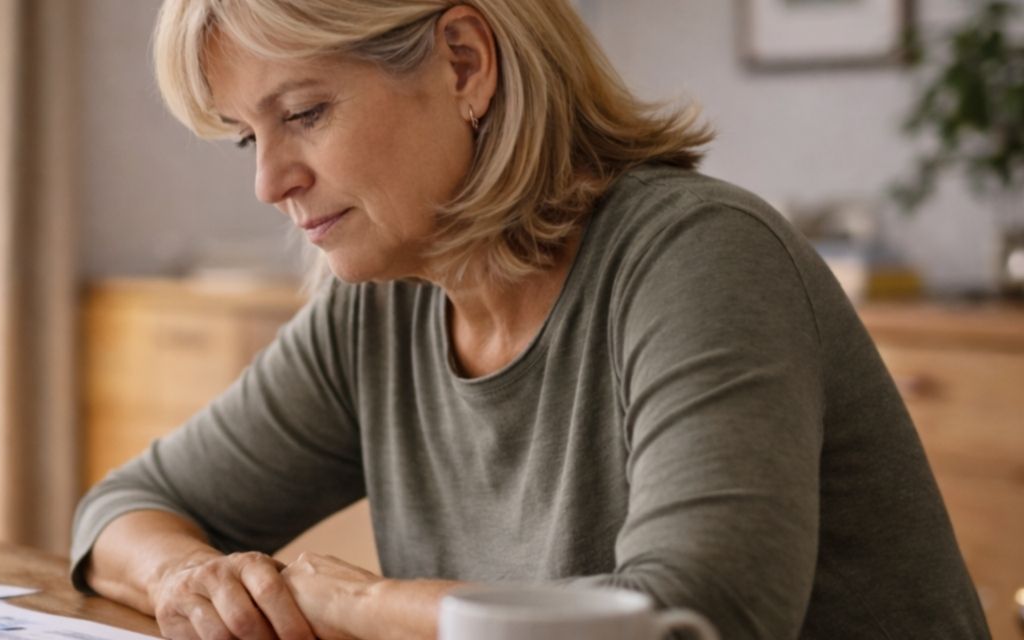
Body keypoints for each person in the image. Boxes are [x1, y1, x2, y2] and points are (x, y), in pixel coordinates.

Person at [69, 1, 988, 638]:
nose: (270, 181)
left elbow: (698, 618)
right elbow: (123, 509)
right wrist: (187, 581)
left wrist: (358, 605)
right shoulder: (377, 310)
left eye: (304, 113)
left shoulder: (701, 256)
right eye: (246, 135)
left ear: (465, 63)